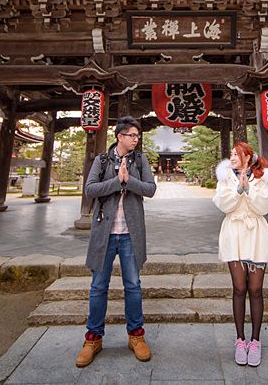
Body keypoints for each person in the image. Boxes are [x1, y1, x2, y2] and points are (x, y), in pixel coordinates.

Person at [75, 115, 157, 368]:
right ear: (119, 136)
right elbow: (89, 190)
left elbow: (150, 189)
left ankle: (136, 336)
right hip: (105, 232)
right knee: (98, 286)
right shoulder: (101, 160)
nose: (136, 139)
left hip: (130, 233)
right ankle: (93, 338)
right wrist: (116, 181)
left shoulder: (140, 160)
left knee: (133, 285)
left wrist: (128, 180)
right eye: (132, 135)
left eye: (137, 136)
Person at [213, 141, 268, 368]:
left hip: (256, 235)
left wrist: (249, 190)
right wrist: (238, 190)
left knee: (256, 289)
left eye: (236, 154)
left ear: (248, 158)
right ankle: (240, 339)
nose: (232, 157)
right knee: (239, 288)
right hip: (234, 234)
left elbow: (267, 205)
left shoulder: (262, 177)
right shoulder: (225, 178)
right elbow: (222, 204)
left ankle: (256, 340)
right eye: (230, 153)